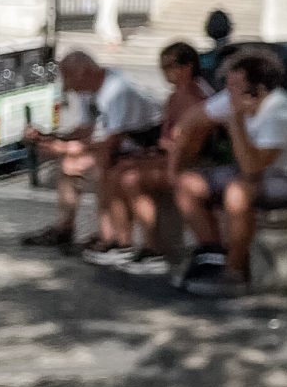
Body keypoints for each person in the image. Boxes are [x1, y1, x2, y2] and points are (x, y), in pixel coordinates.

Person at [171, 45, 287, 296]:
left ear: (258, 89)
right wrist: (179, 160)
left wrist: (235, 121)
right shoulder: (234, 98)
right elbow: (188, 123)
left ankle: (235, 272)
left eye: (235, 85)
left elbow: (252, 166)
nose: (228, 91)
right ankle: (212, 254)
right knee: (188, 184)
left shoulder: (279, 113)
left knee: (238, 192)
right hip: (263, 172)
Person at [20, 48, 163, 251]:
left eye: (69, 79)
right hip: (121, 142)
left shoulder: (116, 90)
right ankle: (64, 228)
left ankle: (110, 237)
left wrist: (65, 148)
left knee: (101, 167)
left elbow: (111, 141)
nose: (69, 87)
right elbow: (85, 130)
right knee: (71, 164)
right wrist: (50, 137)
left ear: (84, 73)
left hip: (145, 142)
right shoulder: (88, 89)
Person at [87, 40, 212, 273]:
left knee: (129, 178)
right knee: (116, 170)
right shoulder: (175, 96)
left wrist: (165, 151)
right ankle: (122, 242)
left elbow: (192, 147)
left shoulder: (196, 97)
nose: (166, 73)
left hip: (191, 162)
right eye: (162, 67)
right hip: (170, 156)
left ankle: (152, 248)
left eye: (170, 66)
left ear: (187, 67)